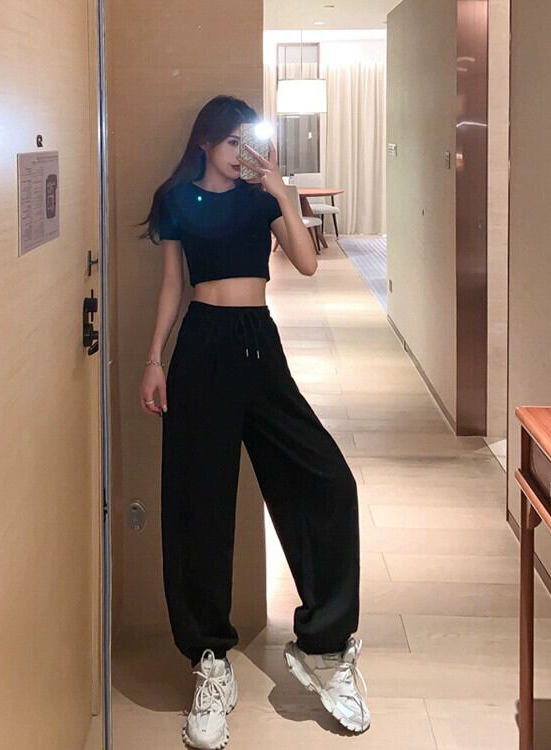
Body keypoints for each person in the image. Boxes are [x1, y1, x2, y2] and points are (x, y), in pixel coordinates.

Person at [137, 95, 370, 749]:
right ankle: (210, 662)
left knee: (327, 483)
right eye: (234, 141)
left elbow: (307, 263)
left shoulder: (260, 196)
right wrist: (154, 359)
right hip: (201, 348)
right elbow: (172, 284)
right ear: (206, 142)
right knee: (198, 505)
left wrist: (280, 191)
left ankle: (322, 648)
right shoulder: (176, 199)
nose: (244, 152)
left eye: (251, 141)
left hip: (258, 345)